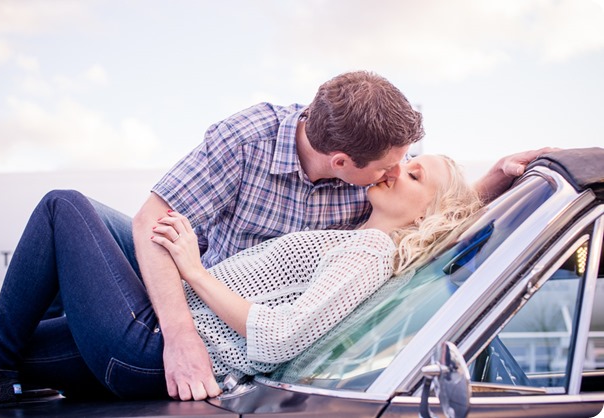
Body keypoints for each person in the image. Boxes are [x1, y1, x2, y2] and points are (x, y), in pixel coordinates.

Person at [118, 70, 555, 400]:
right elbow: (148, 223)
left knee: (65, 212)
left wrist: (496, 178)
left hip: (225, 341)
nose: (394, 171)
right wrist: (180, 336)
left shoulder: (374, 216)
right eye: (389, 167)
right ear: (343, 162)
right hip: (189, 317)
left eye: (405, 166)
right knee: (97, 230)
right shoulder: (249, 140)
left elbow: (434, 213)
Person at [0, 154, 482, 405]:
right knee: (15, 337)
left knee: (64, 208)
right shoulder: (359, 237)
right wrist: (496, 175)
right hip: (151, 347)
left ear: (429, 215)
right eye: (408, 162)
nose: (397, 169)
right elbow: (449, 206)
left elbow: (281, 335)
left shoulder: (370, 252)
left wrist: (192, 268)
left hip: (156, 352)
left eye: (415, 176)